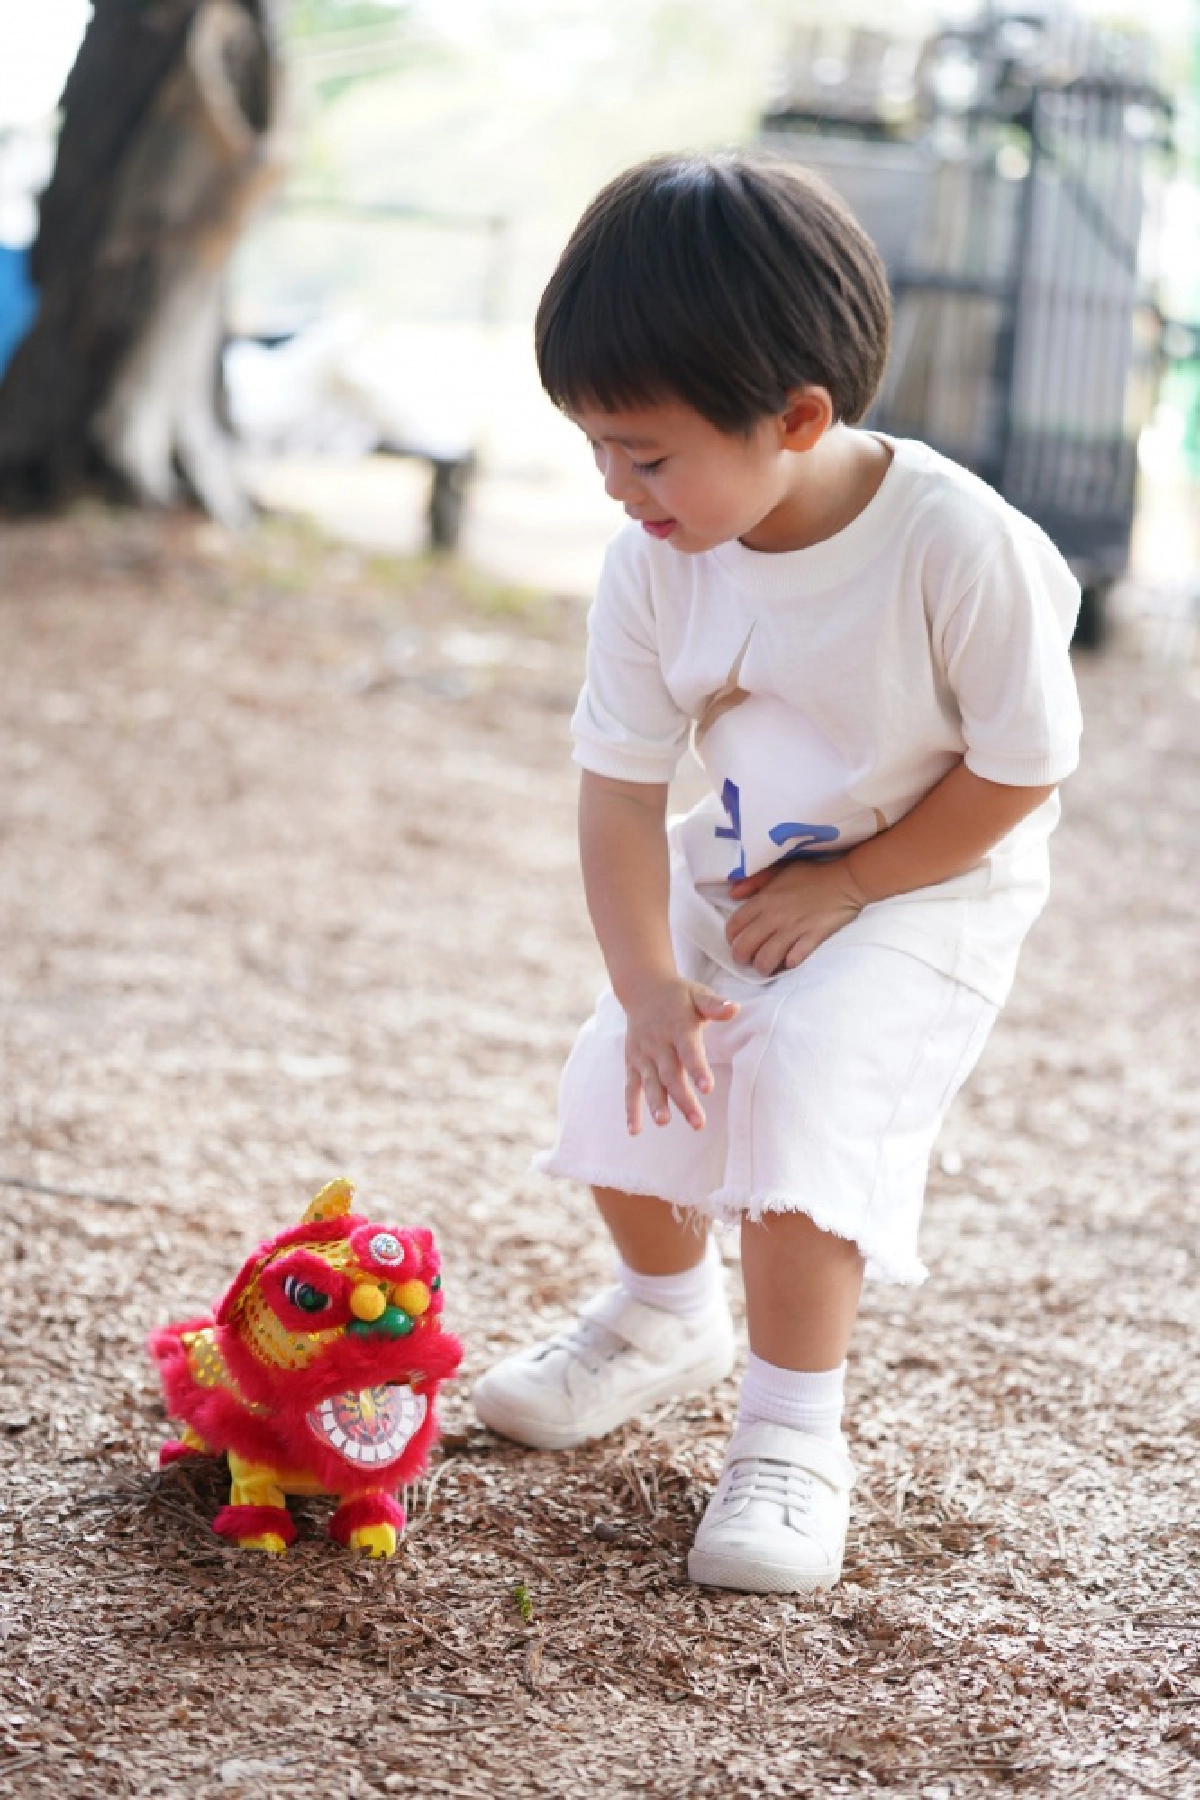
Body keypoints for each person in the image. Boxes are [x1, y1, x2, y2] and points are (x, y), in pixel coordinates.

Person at [473, 151, 1082, 1594]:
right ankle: (662, 1316)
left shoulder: (955, 543)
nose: (617, 487)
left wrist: (861, 880)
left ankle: (796, 1436)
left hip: (933, 880)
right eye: (594, 448)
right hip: (752, 863)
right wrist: (649, 985)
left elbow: (1023, 765)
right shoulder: (659, 556)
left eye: (648, 451)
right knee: (623, 1070)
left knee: (799, 1091)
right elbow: (620, 787)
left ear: (797, 417)